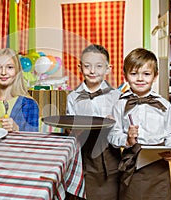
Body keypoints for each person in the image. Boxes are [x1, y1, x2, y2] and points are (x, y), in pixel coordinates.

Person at [107, 48, 171, 200]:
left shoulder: (164, 105)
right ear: (126, 76)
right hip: (132, 165)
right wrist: (127, 140)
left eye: (146, 74)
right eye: (134, 74)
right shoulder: (120, 104)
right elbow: (112, 134)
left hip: (158, 166)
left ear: (155, 76)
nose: (140, 79)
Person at [66, 44, 121, 200]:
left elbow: (123, 128)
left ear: (108, 69)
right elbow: (69, 127)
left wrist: (114, 123)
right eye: (87, 66)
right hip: (83, 154)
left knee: (110, 193)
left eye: (99, 66)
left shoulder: (116, 96)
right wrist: (73, 130)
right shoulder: (73, 97)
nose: (92, 71)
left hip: (109, 156)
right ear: (80, 67)